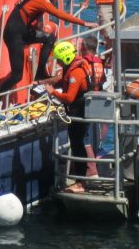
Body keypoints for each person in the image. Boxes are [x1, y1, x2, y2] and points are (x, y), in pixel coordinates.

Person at [0, 0, 97, 107]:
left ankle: (40, 72)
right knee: (16, 75)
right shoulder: (40, 0)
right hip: (14, 35)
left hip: (22, 32)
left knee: (49, 38)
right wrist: (84, 23)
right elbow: (60, 14)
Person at [45, 37, 105, 193]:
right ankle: (82, 180)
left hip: (79, 112)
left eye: (59, 60)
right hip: (79, 111)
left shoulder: (76, 72)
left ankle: (81, 182)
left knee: (78, 146)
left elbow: (70, 97)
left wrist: (53, 93)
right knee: (77, 144)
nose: (58, 64)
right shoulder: (76, 69)